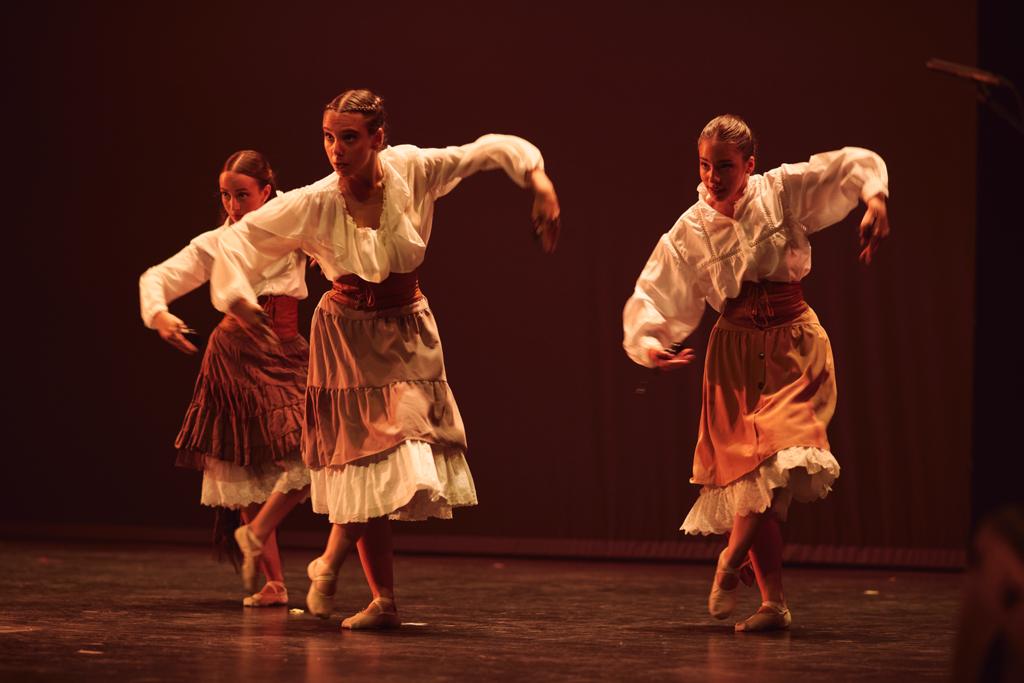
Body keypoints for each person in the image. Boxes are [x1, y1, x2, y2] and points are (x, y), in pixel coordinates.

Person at [209, 89, 561, 629]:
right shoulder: (317, 199)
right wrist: (233, 293)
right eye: (328, 137)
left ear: (377, 138)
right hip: (347, 335)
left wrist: (537, 179)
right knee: (369, 460)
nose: (336, 149)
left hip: (405, 327)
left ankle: (329, 563)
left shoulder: (413, 169)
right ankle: (381, 600)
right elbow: (239, 241)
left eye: (348, 137)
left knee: (404, 441)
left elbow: (486, 150)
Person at [623, 114, 889, 631]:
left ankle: (728, 561)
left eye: (724, 165)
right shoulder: (691, 228)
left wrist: (874, 197)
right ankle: (774, 604)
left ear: (750, 164)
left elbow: (849, 167)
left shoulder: (780, 193)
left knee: (778, 464)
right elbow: (652, 293)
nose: (713, 176)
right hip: (735, 357)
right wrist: (650, 344)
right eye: (705, 165)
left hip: (793, 346)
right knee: (753, 476)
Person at [139, 150, 312, 607]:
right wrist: (159, 315)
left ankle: (254, 534)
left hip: (286, 349)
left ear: (266, 193)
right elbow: (159, 276)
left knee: (316, 449)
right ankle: (274, 582)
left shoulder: (291, 223)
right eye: (226, 196)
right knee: (243, 465)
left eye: (243, 195)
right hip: (235, 353)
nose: (234, 205)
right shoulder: (217, 242)